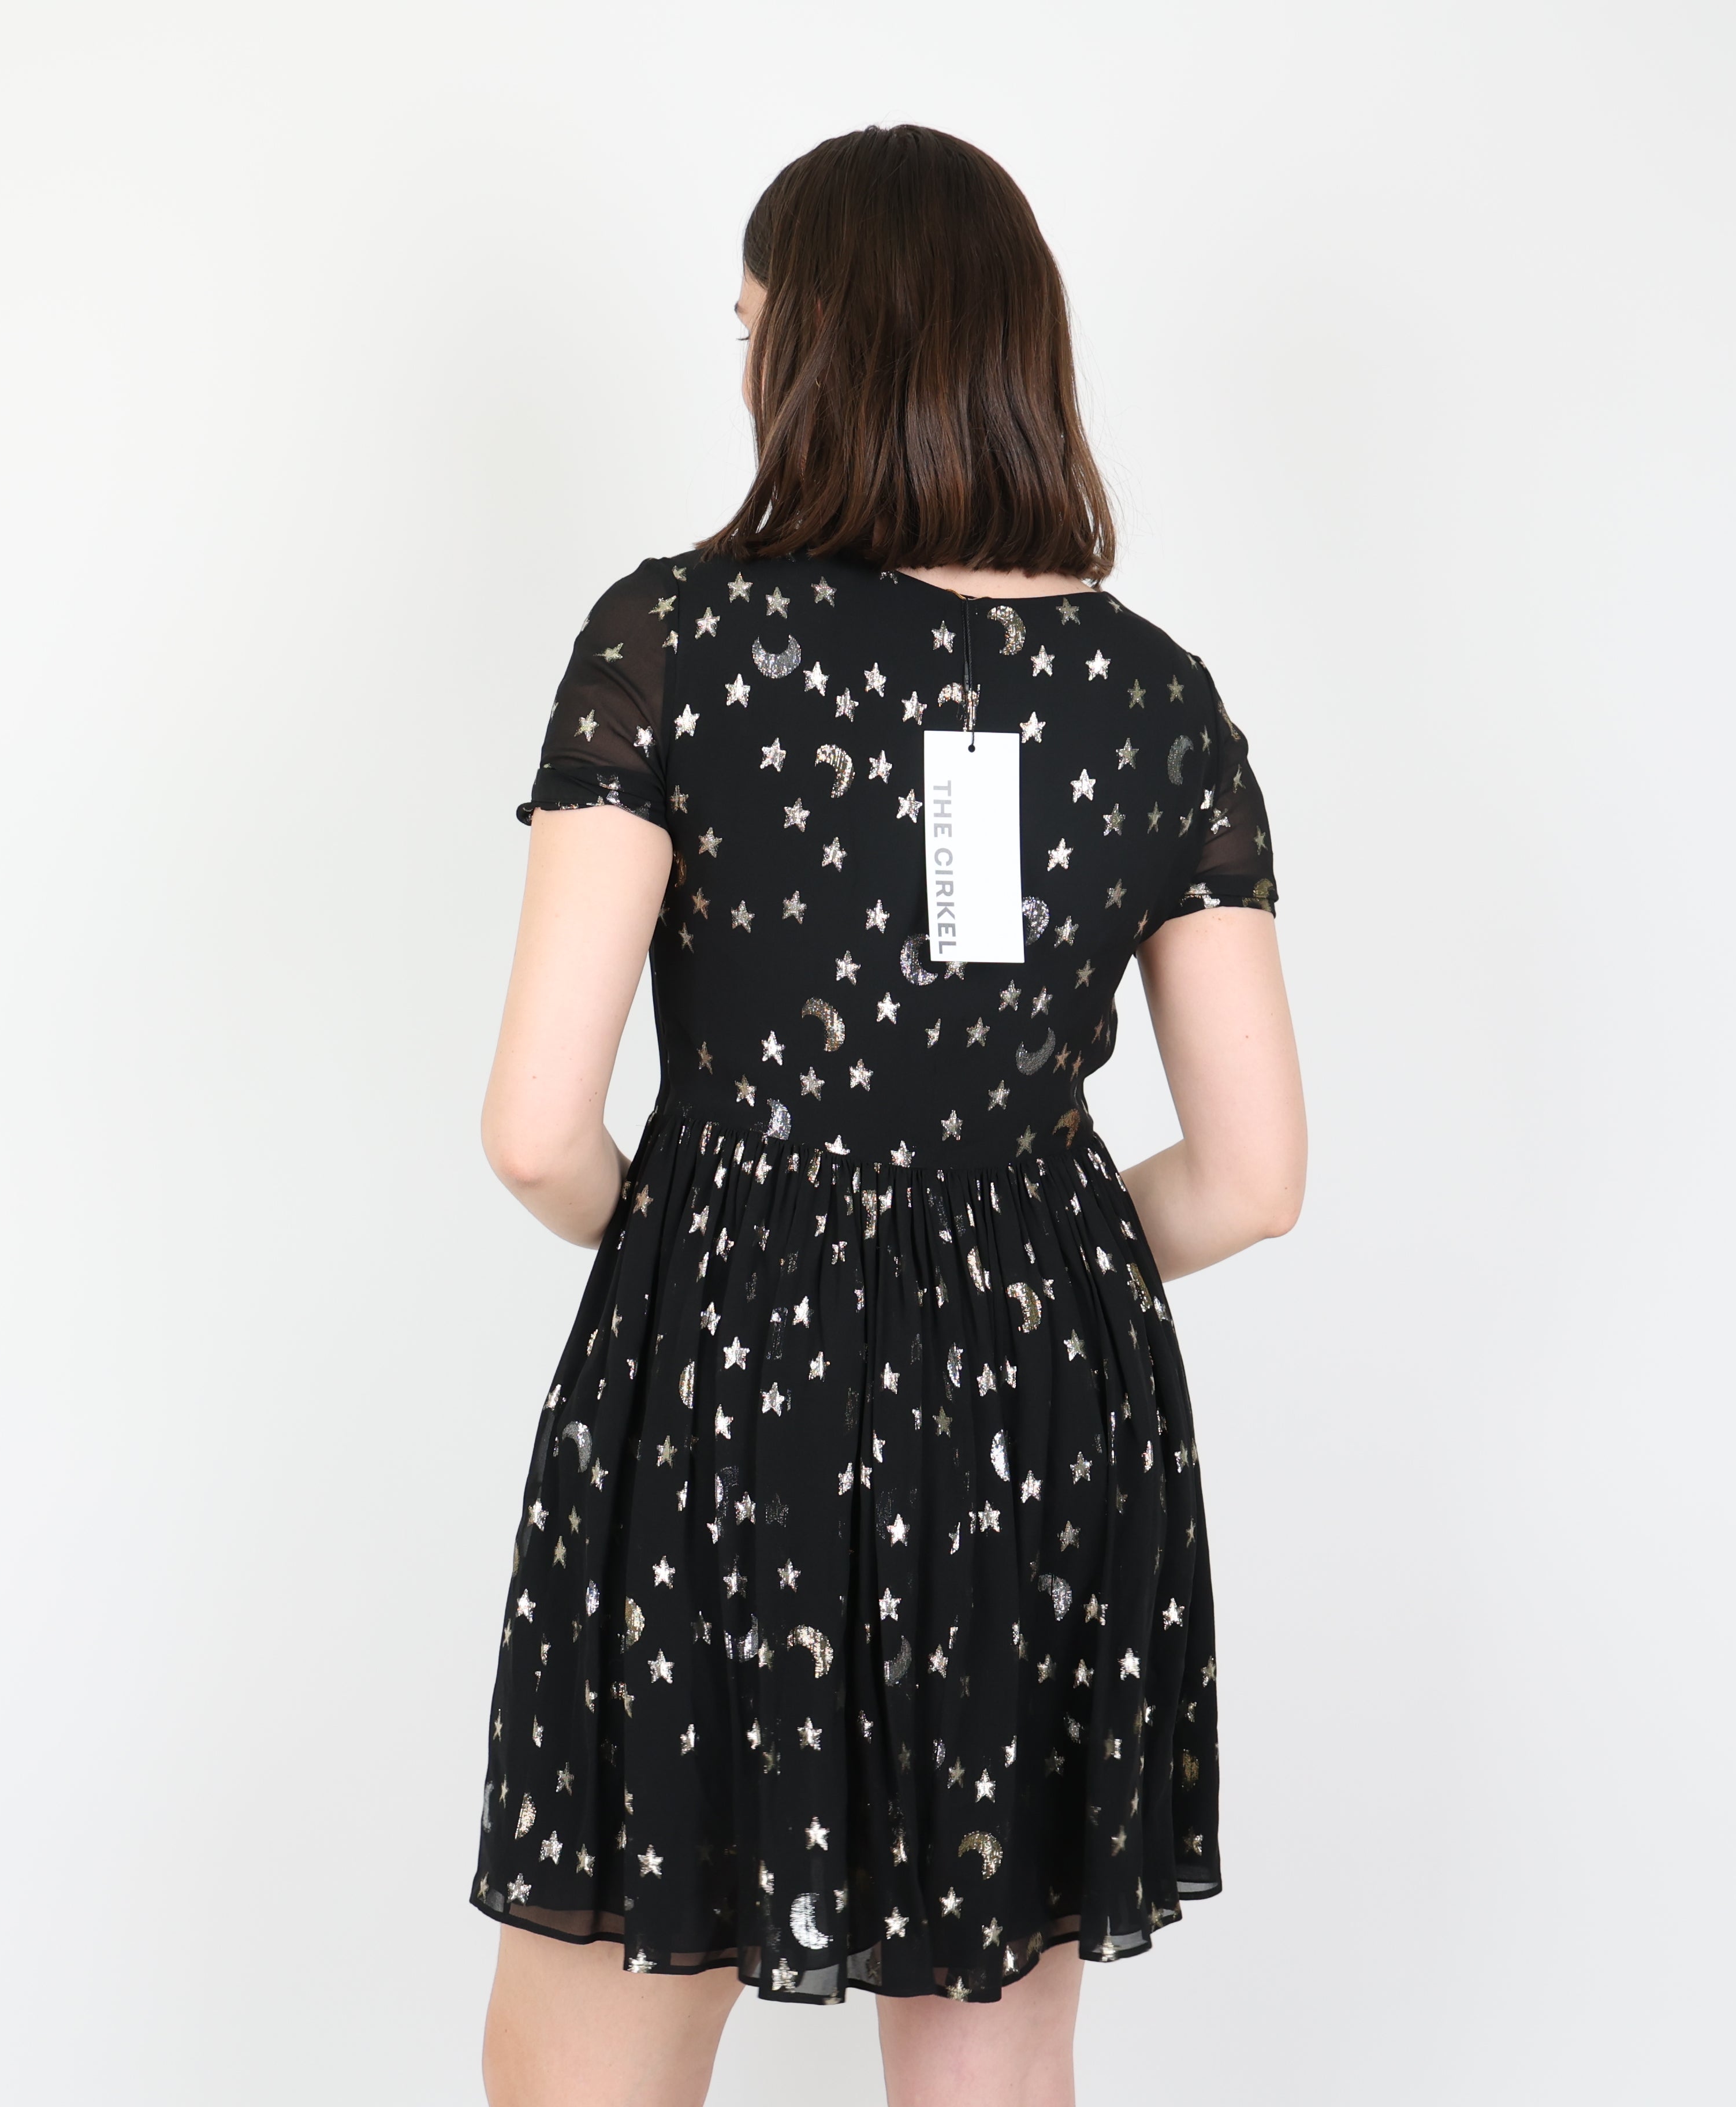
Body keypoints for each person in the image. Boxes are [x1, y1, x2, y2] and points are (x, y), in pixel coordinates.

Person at [470, 124, 1306, 2107]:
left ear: (816, 345)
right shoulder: (1157, 699)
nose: (744, 361)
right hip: (1049, 1411)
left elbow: (536, 1130)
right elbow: (1255, 1178)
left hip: (731, 1384)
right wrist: (1023, 1269)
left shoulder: (675, 644)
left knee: (598, 2034)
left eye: (752, 322)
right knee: (991, 2056)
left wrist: (694, 1247)